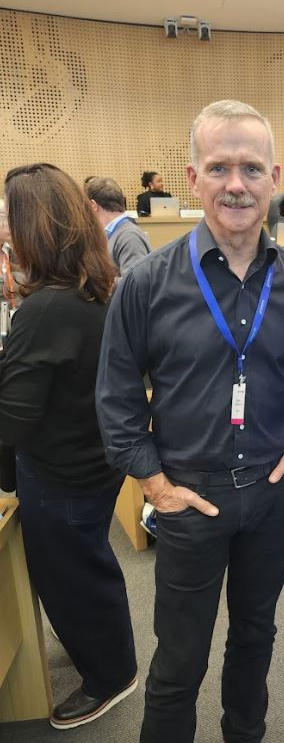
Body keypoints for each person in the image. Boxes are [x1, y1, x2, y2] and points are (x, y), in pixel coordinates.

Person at [96, 100, 284, 743]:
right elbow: (115, 399)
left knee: (256, 639)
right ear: (192, 177)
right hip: (188, 497)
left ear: (275, 179)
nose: (236, 184)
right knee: (180, 659)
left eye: (251, 168)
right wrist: (156, 485)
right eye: (219, 166)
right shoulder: (145, 283)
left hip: (272, 491)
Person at [0, 163, 137, 729]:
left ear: (35, 227)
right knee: (87, 565)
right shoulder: (92, 288)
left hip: (61, 472)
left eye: (9, 217)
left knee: (72, 575)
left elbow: (13, 420)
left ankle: (110, 675)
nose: (3, 228)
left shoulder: (46, 308)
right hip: (89, 458)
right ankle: (110, 660)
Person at [86, 176, 152, 278]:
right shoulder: (114, 232)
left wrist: (96, 283)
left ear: (93, 205)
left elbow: (134, 285)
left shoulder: (129, 236)